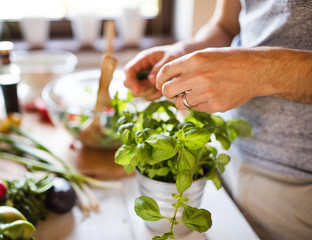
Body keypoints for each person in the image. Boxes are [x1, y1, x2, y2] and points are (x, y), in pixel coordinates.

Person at [123, 0, 312, 240]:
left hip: (300, 186)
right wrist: (184, 53)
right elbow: (225, 26)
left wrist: (260, 70)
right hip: (229, 157)